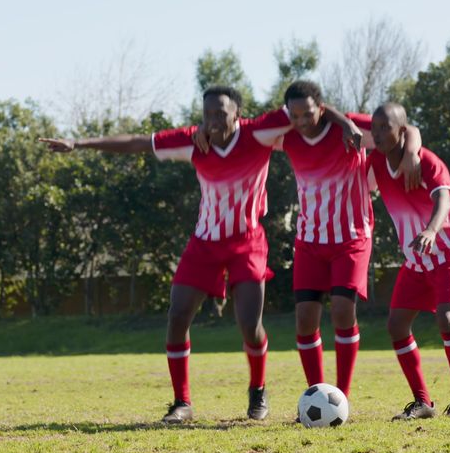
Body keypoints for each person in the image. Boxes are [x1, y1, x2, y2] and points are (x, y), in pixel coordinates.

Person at [40, 86, 288, 424]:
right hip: (204, 243)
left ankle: (257, 390)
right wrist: (79, 144)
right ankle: (181, 402)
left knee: (249, 324)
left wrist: (348, 129)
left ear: (237, 114)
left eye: (221, 113)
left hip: (247, 241)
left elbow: (310, 110)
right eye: (208, 114)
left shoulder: (259, 134)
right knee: (177, 317)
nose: (214, 119)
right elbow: (138, 143)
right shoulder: (193, 141)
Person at [275, 81, 421, 399]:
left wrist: (410, 153)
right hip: (309, 240)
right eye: (295, 114)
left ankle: (341, 396)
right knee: (304, 320)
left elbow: (407, 127)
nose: (302, 121)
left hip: (351, 237)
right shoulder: (285, 133)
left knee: (342, 310)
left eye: (309, 113)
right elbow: (244, 132)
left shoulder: (354, 129)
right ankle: (316, 392)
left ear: (322, 108)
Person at [366, 102, 450, 419]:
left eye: (385, 127)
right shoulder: (376, 161)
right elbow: (348, 130)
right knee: (396, 326)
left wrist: (430, 229)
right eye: (374, 129)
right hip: (416, 259)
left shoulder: (427, 161)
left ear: (403, 130)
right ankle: (422, 403)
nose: (377, 133)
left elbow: (443, 199)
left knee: (447, 319)